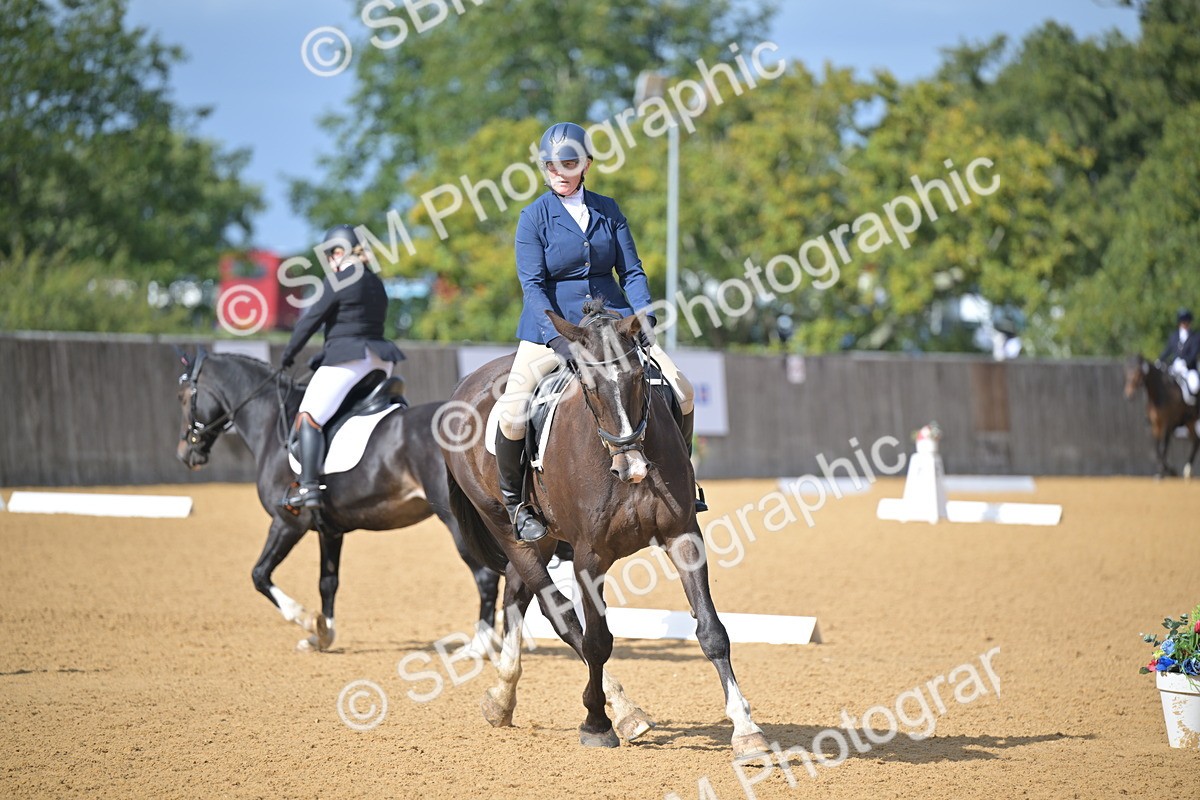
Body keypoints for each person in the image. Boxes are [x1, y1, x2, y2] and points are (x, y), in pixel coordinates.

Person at [494, 122, 704, 543]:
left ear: (586, 164)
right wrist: (557, 340)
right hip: (555, 327)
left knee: (682, 390)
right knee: (513, 411)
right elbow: (532, 286)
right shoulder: (533, 217)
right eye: (550, 164)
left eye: (568, 163)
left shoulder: (608, 209)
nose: (558, 171)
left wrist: (642, 316)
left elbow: (631, 270)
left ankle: (684, 478)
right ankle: (517, 504)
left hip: (615, 325)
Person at [278, 224, 405, 509]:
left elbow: (310, 321)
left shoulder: (340, 279)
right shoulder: (375, 281)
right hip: (381, 362)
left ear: (339, 251)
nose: (330, 262)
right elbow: (356, 322)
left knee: (309, 416)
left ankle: (308, 486)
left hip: (351, 360)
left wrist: (288, 354)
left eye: (330, 255)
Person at [1159, 308, 1200, 404]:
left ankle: (1194, 407)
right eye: (1182, 321)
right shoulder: (1174, 336)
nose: (1184, 323)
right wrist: (1159, 360)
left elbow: (1194, 354)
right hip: (1174, 367)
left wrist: (1185, 362)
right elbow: (1167, 351)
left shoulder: (1195, 337)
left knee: (1195, 385)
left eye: (1186, 321)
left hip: (1189, 369)